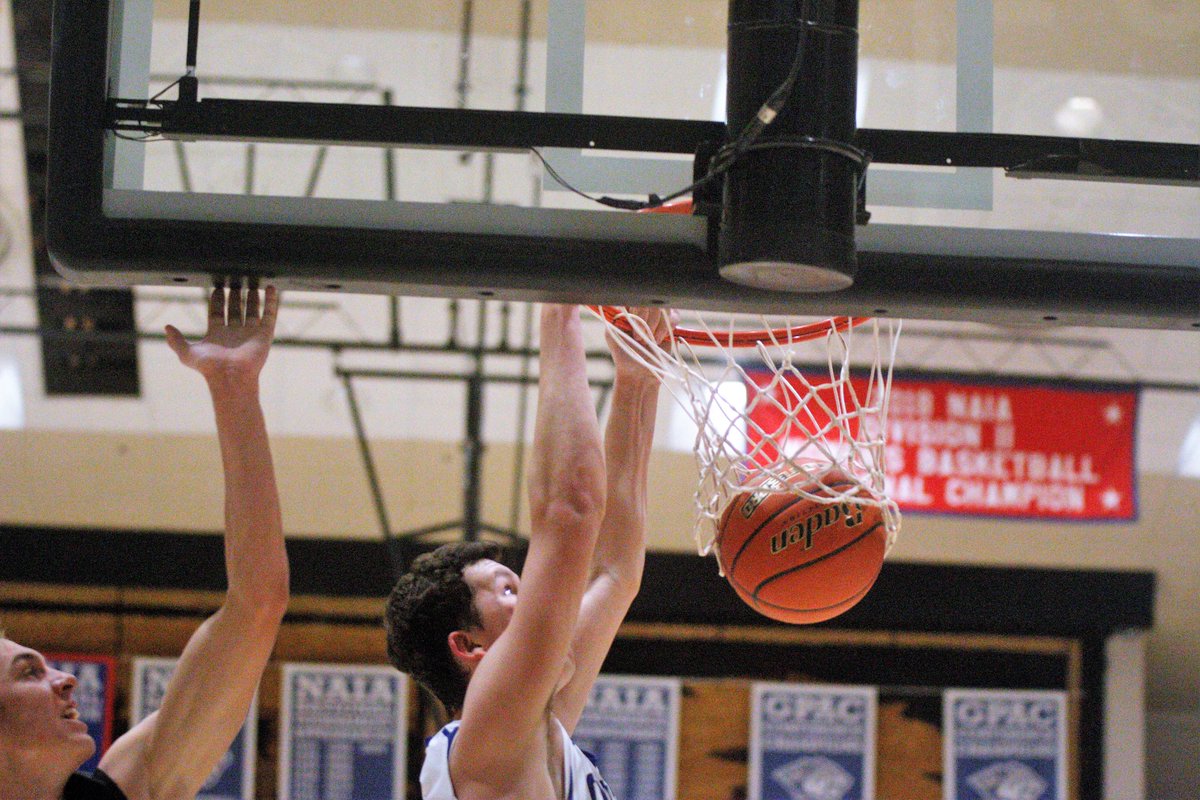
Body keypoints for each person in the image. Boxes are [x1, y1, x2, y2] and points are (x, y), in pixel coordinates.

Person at [0, 284, 288, 800]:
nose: (65, 680)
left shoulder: (124, 788)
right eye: (28, 674)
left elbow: (258, 603)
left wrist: (234, 389)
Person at [385, 305, 668, 800]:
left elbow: (614, 571)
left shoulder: (532, 727)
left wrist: (638, 380)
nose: (542, 595)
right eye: (511, 589)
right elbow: (571, 510)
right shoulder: (487, 735)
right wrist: (559, 303)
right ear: (470, 648)